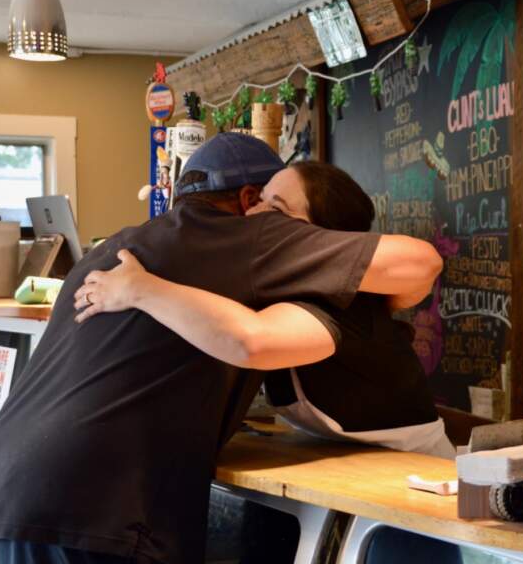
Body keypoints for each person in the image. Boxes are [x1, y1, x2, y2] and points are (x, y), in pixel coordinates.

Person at [0, 133, 442, 564]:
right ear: (248, 200)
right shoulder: (243, 239)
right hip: (74, 517)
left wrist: (147, 292)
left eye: (279, 209)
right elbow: (253, 338)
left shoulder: (120, 246)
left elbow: (219, 344)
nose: (267, 220)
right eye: (267, 203)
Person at [73, 161, 454, 458]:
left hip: (413, 474)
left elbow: (250, 340)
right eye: (258, 201)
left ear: (321, 237)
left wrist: (141, 290)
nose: (252, 215)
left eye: (275, 208)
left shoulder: (334, 303)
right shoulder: (273, 284)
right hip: (347, 463)